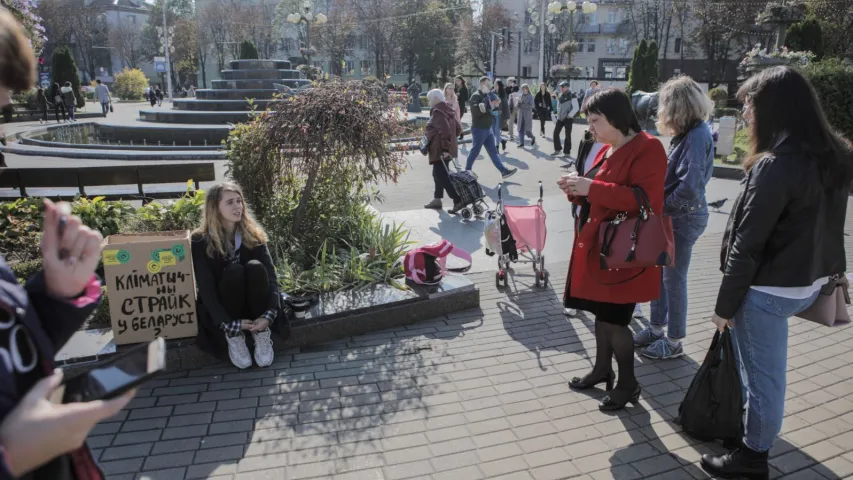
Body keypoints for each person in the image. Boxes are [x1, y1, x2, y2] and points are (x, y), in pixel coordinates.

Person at [701, 66, 853, 479]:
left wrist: (724, 306)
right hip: (811, 285)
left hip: (766, 292)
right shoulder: (836, 153)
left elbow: (749, 245)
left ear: (774, 107)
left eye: (750, 101)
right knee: (762, 375)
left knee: (765, 380)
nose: (746, 110)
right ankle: (753, 436)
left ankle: (753, 458)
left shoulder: (776, 165)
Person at [557, 87, 666, 411]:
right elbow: (600, 193)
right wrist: (576, 189)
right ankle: (602, 369)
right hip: (600, 250)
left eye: (594, 120)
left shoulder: (648, 148)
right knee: (601, 317)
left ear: (617, 118)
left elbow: (644, 201)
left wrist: (591, 187)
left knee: (616, 322)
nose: (590, 128)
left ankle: (628, 383)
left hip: (625, 254)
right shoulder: (610, 147)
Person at [633, 76, 715, 360]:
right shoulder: (691, 134)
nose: (661, 111)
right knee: (662, 274)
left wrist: (661, 207)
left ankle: (675, 340)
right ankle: (657, 329)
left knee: (673, 280)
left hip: (683, 218)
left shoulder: (695, 136)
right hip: (677, 216)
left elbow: (690, 187)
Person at [191, 182, 279, 369]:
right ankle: (234, 336)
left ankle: (261, 331)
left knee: (256, 267)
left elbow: (271, 277)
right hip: (226, 311)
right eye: (230, 202)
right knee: (234, 271)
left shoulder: (252, 235)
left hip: (255, 307)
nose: (237, 206)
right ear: (215, 208)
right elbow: (206, 287)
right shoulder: (200, 240)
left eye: (239, 201)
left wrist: (269, 315)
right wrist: (227, 323)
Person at [465, 76, 517, 179]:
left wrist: (489, 95)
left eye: (490, 85)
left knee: (493, 152)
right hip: (479, 128)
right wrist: (487, 102)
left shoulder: (488, 94)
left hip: (488, 128)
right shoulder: (475, 96)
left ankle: (503, 171)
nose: (490, 87)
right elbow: (478, 112)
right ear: (481, 84)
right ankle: (467, 171)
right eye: (487, 85)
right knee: (475, 151)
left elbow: (498, 101)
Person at [424, 89, 463, 213]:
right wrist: (451, 144)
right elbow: (458, 129)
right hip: (446, 149)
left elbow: (445, 131)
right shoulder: (448, 109)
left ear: (435, 99)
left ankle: (458, 199)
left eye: (430, 99)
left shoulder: (438, 112)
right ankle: (437, 199)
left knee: (441, 175)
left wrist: (445, 148)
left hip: (440, 150)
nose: (429, 102)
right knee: (437, 174)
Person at [553, 81, 579, 157]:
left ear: (567, 87)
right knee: (555, 133)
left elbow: (576, 107)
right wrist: (558, 115)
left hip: (568, 118)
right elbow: (558, 106)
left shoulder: (572, 95)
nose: (561, 88)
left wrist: (569, 115)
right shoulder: (560, 95)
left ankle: (567, 152)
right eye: (561, 87)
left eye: (563, 87)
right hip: (560, 118)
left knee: (567, 135)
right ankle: (557, 150)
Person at [495, 79, 510, 151]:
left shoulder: (503, 94)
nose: (495, 86)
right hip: (492, 115)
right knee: (493, 131)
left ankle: (497, 147)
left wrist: (507, 117)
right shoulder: (492, 93)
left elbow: (506, 106)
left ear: (499, 86)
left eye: (496, 85)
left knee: (497, 131)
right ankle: (502, 141)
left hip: (499, 116)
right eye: (494, 85)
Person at [506, 77, 519, 143]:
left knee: (511, 122)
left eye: (510, 82)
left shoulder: (514, 89)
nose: (509, 83)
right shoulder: (508, 88)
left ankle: (512, 135)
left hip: (513, 107)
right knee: (511, 121)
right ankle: (512, 134)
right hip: (513, 107)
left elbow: (509, 102)